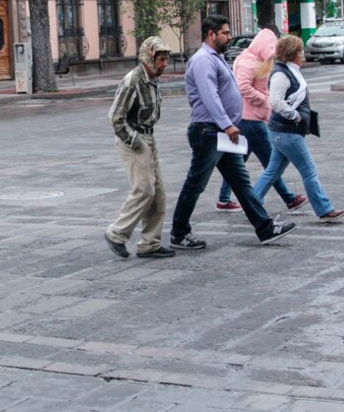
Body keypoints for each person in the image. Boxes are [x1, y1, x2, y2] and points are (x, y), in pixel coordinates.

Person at [170, 16, 297, 248]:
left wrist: (228, 125)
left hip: (222, 132)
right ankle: (179, 233)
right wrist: (227, 123)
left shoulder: (216, 58)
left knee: (241, 182)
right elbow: (210, 95)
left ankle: (265, 227)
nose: (229, 37)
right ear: (211, 34)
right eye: (225, 33)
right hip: (209, 131)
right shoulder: (202, 61)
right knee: (196, 184)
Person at [254, 35, 344, 223]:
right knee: (309, 171)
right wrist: (295, 116)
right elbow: (276, 102)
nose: (303, 55)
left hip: (283, 132)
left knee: (272, 172)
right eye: (300, 52)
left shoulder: (288, 70)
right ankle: (324, 209)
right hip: (287, 132)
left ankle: (252, 203)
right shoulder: (281, 74)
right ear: (292, 54)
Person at [214, 28, 307, 213]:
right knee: (271, 160)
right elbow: (243, 87)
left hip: (250, 118)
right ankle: (288, 198)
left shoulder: (255, 60)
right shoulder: (248, 62)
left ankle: (224, 199)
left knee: (236, 161)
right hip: (250, 119)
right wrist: (264, 100)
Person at [104, 36, 176, 259]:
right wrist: (135, 142)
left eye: (165, 59)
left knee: (159, 194)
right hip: (134, 140)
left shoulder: (152, 78)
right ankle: (117, 233)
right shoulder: (132, 80)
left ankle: (150, 243)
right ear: (148, 57)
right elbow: (115, 117)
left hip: (148, 138)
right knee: (144, 190)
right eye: (161, 59)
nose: (165, 64)